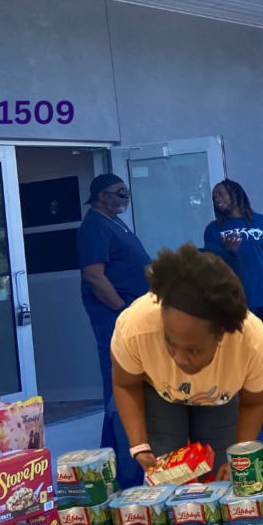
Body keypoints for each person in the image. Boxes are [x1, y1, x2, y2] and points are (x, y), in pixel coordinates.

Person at [111, 244, 263, 479]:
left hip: (220, 397)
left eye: (193, 349)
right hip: (158, 392)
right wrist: (139, 446)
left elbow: (254, 403)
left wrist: (240, 455)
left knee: (223, 474)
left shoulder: (251, 344)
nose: (178, 358)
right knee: (169, 478)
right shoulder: (137, 327)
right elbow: (125, 384)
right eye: (169, 341)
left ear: (222, 334)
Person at [77, 172, 152, 478]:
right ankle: (123, 469)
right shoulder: (94, 226)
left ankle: (129, 456)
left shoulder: (113, 221)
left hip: (134, 316)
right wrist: (124, 313)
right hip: (116, 319)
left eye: (127, 191)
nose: (126, 196)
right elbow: (94, 276)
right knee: (121, 388)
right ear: (101, 197)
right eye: (120, 192)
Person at [202, 180, 263, 327]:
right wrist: (229, 254)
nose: (217, 199)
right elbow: (213, 272)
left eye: (221, 194)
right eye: (214, 197)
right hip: (232, 304)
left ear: (235, 196)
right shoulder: (212, 230)